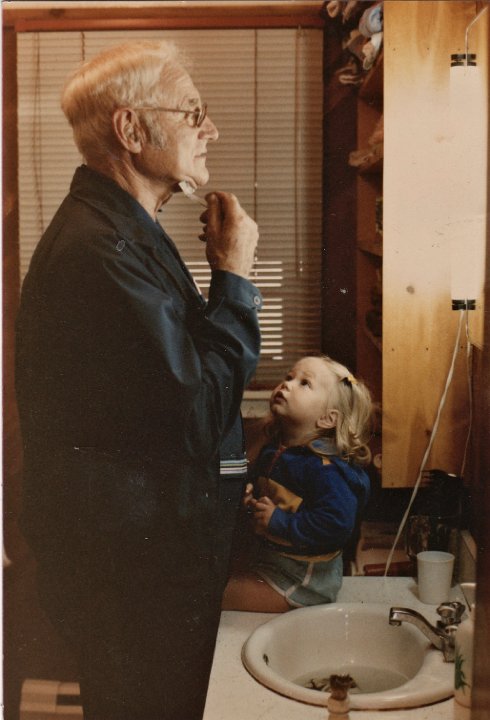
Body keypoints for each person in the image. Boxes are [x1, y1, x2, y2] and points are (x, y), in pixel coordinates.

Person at [15, 40, 262, 720]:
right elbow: (198, 408)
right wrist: (235, 278)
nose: (209, 129)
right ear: (131, 130)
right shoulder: (102, 250)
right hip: (135, 576)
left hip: (142, 561)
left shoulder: (127, 231)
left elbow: (175, 385)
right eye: (193, 112)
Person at [222, 355, 372, 612]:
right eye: (289, 378)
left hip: (302, 583)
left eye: (305, 383)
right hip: (272, 564)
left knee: (216, 597)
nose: (287, 385)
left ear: (327, 419)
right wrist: (253, 504)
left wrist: (278, 522)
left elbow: (335, 524)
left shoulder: (325, 470)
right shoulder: (276, 450)